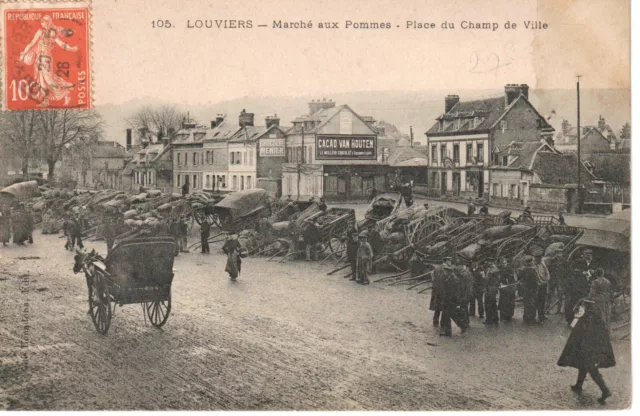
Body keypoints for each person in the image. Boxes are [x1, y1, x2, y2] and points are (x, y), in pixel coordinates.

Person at [557, 299, 614, 404]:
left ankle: (605, 390)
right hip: (592, 349)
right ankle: (579, 385)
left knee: (591, 370)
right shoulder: (595, 318)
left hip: (587, 349)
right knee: (583, 366)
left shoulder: (586, 318)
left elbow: (575, 328)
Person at [18, 15, 79, 107]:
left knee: (49, 80)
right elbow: (31, 43)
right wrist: (23, 54)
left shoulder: (52, 33)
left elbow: (61, 43)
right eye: (42, 22)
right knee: (41, 81)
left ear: (48, 22)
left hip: (46, 58)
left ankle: (65, 94)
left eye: (44, 22)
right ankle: (45, 101)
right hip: (39, 58)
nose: (42, 24)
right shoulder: (39, 32)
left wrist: (70, 49)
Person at [440, 261, 467, 336]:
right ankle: (448, 332)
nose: (445, 272)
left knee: (451, 315)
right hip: (447, 300)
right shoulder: (449, 278)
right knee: (448, 316)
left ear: (450, 272)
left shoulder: (455, 280)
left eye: (446, 271)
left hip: (452, 301)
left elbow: (457, 293)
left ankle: (462, 326)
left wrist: (458, 303)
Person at [564, 260, 592, 325]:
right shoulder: (580, 274)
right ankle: (574, 321)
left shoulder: (573, 273)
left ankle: (570, 321)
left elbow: (568, 283)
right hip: (577, 293)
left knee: (570, 307)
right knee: (576, 307)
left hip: (572, 293)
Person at [517, 255, 539, 324]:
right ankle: (532, 319)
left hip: (525, 289)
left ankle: (526, 319)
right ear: (530, 262)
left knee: (526, 304)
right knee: (532, 304)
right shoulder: (533, 270)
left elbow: (519, 278)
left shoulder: (523, 270)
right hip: (532, 289)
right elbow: (535, 281)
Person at [431, 257, 450, 326]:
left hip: (437, 291)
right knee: (444, 308)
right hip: (444, 291)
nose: (450, 262)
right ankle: (442, 323)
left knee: (437, 308)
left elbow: (433, 279)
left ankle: (435, 322)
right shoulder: (447, 269)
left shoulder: (437, 268)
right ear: (446, 261)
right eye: (449, 261)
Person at [456, 258, 474, 329]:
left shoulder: (463, 274)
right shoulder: (468, 273)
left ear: (462, 266)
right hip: (468, 294)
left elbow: (462, 286)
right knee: (465, 308)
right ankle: (466, 321)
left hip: (464, 294)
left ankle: (465, 322)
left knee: (463, 308)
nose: (457, 267)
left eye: (459, 266)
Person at [533, 251, 551, 323]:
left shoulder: (542, 264)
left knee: (542, 302)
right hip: (536, 286)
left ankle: (541, 317)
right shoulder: (533, 265)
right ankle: (534, 317)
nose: (539, 260)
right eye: (538, 258)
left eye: (540, 258)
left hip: (543, 285)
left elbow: (547, 274)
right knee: (535, 302)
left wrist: (546, 281)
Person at [498, 257, 517, 321]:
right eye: (502, 263)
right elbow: (499, 279)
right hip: (503, 288)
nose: (503, 265)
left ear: (507, 263)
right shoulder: (500, 270)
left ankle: (509, 316)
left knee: (510, 303)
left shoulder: (511, 269)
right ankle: (503, 316)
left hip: (510, 288)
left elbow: (514, 279)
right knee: (503, 303)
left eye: (504, 263)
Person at [483, 258, 500, 326]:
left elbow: (487, 279)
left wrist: (483, 277)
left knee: (488, 305)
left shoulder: (492, 270)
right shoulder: (495, 269)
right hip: (493, 289)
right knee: (493, 305)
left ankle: (489, 320)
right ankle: (495, 319)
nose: (487, 262)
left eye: (489, 261)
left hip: (490, 289)